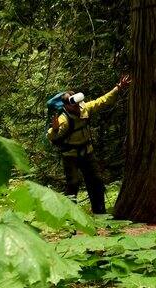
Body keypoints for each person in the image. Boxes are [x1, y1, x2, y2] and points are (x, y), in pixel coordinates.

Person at [47, 75, 131, 214]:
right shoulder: (63, 119)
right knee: (73, 185)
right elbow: (51, 136)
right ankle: (70, 218)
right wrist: (55, 128)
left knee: (97, 182)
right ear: (67, 106)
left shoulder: (84, 108)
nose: (78, 106)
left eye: (78, 102)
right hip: (70, 156)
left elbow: (102, 101)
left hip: (87, 152)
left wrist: (118, 88)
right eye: (73, 104)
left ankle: (100, 214)